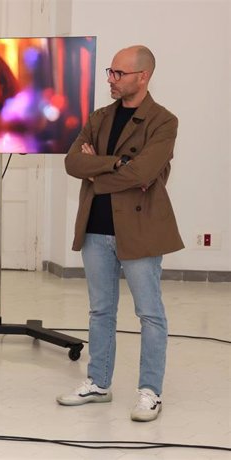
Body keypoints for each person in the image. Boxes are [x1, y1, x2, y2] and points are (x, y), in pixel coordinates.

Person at [58, 46, 183, 422]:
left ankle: (150, 391)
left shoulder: (163, 121)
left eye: (118, 73)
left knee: (150, 314)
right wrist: (115, 163)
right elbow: (72, 162)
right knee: (100, 310)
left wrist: (97, 175)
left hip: (140, 229)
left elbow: (143, 173)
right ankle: (98, 383)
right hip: (96, 228)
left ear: (142, 76)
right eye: (109, 72)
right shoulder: (99, 117)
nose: (110, 79)